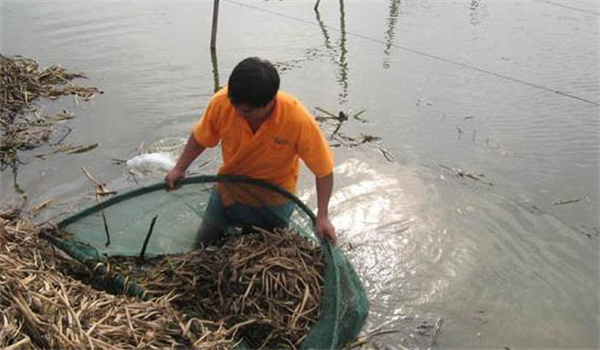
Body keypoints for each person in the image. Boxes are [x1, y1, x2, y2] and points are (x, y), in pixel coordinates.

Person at [165, 57, 337, 245]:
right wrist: (179, 168)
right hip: (228, 191)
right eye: (236, 107)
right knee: (204, 244)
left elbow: (324, 171)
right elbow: (200, 138)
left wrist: (322, 215)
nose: (239, 114)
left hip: (274, 200)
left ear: (270, 102)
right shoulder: (222, 103)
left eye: (247, 112)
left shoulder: (297, 119)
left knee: (266, 253)